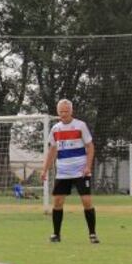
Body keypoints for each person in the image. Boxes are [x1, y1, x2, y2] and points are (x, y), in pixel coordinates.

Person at [40, 98, 99, 243]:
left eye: (66, 111)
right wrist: (44, 170)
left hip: (80, 171)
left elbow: (90, 147)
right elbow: (52, 151)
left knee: (86, 201)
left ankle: (92, 234)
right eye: (61, 111)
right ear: (57, 112)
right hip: (63, 172)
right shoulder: (55, 129)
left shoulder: (80, 126)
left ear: (71, 111)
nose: (64, 114)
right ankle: (56, 234)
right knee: (58, 202)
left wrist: (88, 166)